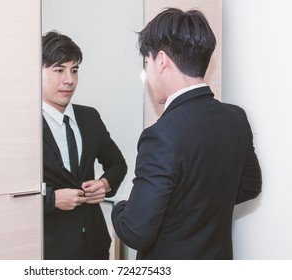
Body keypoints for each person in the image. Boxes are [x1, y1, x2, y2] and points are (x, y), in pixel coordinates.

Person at [111, 8, 262, 260]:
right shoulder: (236, 118)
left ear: (161, 61)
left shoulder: (160, 136)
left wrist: (120, 208)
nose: (148, 75)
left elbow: (135, 231)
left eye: (146, 63)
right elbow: (250, 186)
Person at [42, 31, 127, 260]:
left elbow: (118, 163)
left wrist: (105, 183)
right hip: (49, 249)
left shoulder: (89, 117)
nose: (69, 79)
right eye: (59, 70)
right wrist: (51, 200)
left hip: (95, 244)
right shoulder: (24, 127)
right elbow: (12, 192)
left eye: (75, 70)